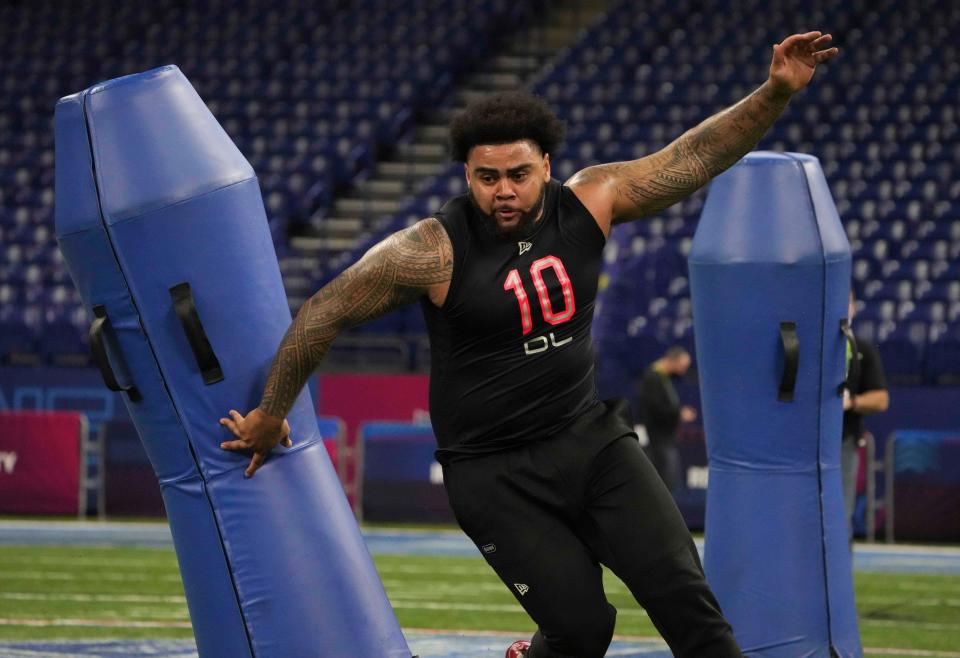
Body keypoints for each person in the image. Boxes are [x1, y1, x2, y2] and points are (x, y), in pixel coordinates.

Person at [218, 31, 838, 658]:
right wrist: (272, 414)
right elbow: (323, 313)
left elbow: (695, 156)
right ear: (467, 175)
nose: (504, 191)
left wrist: (774, 93)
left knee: (689, 603)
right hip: (493, 475)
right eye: (487, 178)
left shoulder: (591, 201)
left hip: (590, 442)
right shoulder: (431, 249)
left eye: (518, 174)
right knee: (582, 630)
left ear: (546, 165)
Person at [842, 289, 889, 542]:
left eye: (846, 302)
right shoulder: (808, 346)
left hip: (843, 441)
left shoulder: (862, 350)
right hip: (802, 446)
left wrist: (851, 402)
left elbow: (881, 399)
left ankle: (838, 581)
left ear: (853, 307)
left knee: (840, 516)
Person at [636, 346, 697, 494]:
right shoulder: (653, 377)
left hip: (666, 439)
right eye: (681, 366)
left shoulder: (663, 377)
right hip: (659, 439)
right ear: (671, 361)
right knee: (665, 482)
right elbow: (656, 408)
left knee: (669, 480)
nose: (682, 371)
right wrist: (679, 413)